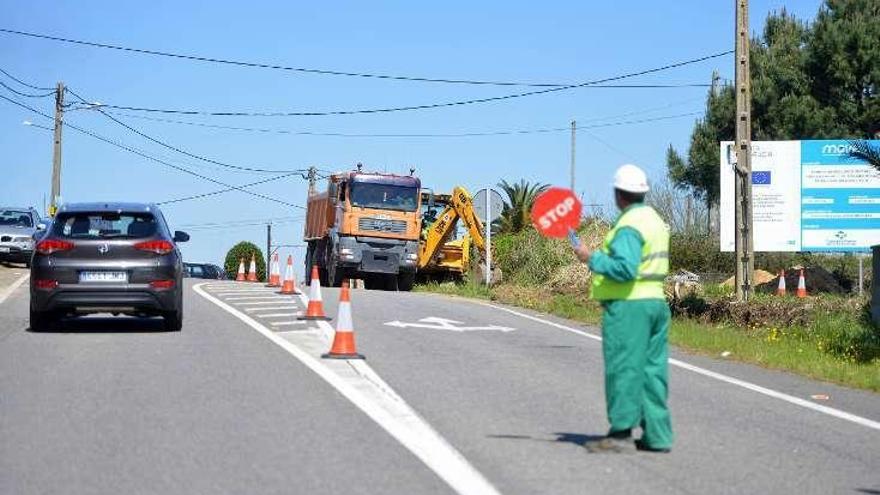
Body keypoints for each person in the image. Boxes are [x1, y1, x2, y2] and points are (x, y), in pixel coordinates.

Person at [570, 164, 673, 454]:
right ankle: (658, 435)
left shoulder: (628, 226)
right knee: (653, 372)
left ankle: (620, 434)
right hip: (655, 302)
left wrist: (591, 258)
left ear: (619, 194)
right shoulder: (653, 219)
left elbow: (625, 269)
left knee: (624, 368)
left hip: (629, 307)